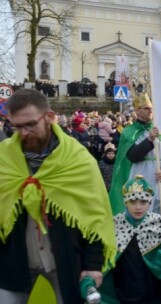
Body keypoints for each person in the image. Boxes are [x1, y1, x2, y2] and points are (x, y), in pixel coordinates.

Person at [0, 89, 116, 303]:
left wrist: (92, 265)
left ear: (50, 117)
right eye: (17, 126)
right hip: (12, 262)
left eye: (31, 124)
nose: (24, 132)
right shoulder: (3, 157)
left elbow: (95, 217)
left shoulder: (78, 159)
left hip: (65, 261)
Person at [99, 175, 161, 303]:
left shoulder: (159, 225)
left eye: (143, 202)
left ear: (149, 202)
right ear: (125, 202)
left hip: (152, 294)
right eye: (133, 202)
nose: (138, 207)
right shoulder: (114, 225)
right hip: (123, 292)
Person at [109, 93, 161, 220]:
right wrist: (149, 140)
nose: (151, 111)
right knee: (143, 216)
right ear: (138, 111)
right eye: (146, 108)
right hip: (141, 175)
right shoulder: (129, 131)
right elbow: (133, 156)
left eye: (152, 108)